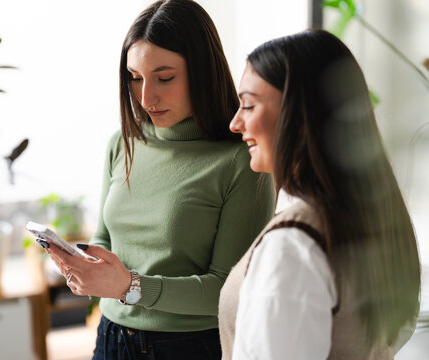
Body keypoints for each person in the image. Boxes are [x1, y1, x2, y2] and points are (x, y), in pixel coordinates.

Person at [44, 1, 274, 359]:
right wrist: (84, 266)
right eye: (135, 78)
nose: (146, 96)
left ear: (202, 71)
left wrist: (132, 286)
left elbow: (229, 290)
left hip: (188, 347)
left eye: (164, 78)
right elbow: (105, 236)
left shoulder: (241, 161)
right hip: (110, 338)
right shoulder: (122, 143)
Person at [218, 29, 421, 360]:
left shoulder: (294, 245)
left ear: (297, 115)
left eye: (249, 105)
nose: (235, 123)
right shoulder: (374, 223)